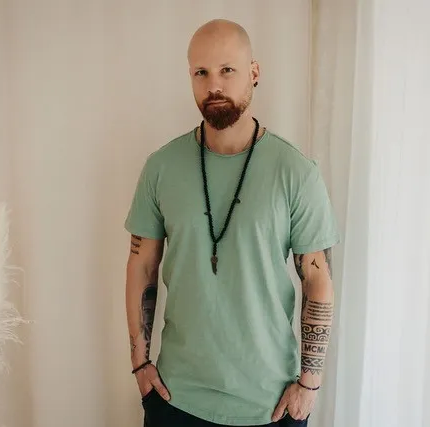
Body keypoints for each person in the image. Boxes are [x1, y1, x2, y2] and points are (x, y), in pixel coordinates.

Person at [124, 18, 340, 427]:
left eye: (227, 70)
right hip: (176, 398)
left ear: (254, 72)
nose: (214, 86)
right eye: (201, 73)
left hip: (270, 403)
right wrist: (140, 365)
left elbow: (317, 278)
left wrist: (309, 384)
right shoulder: (161, 167)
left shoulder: (296, 172)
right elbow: (141, 265)